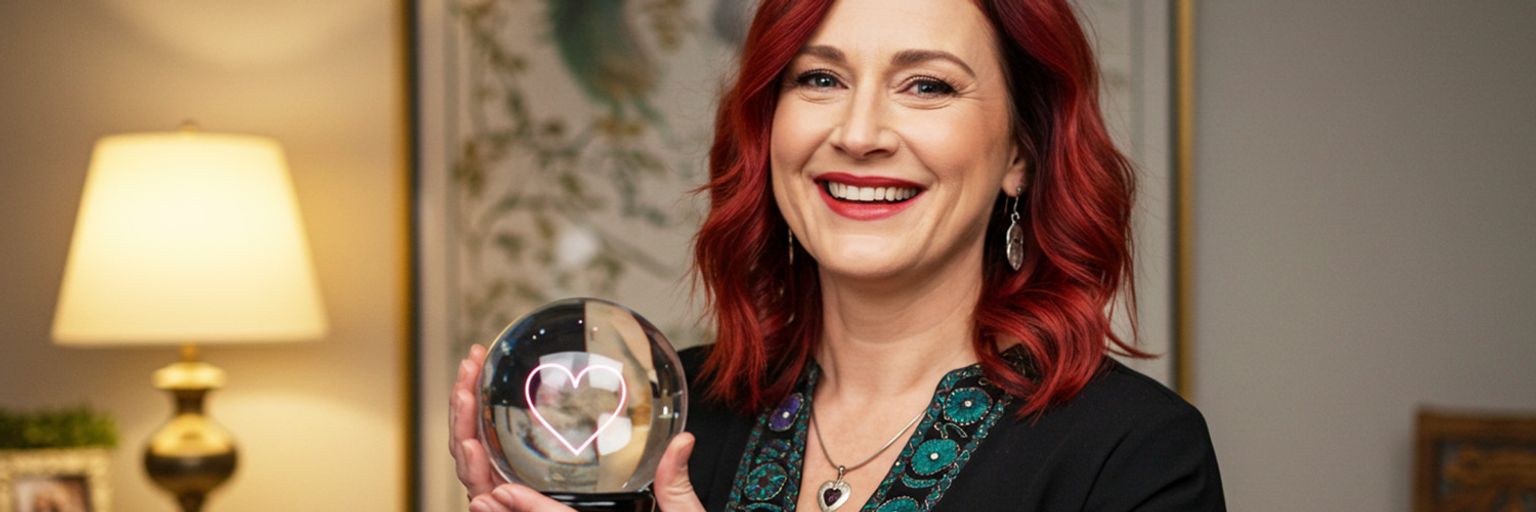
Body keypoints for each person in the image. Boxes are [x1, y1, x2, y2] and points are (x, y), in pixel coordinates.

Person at [449, 0, 1226, 510]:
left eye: (926, 87)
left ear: (1021, 152)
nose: (858, 133)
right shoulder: (660, 419)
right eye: (820, 78)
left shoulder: (1132, 455)